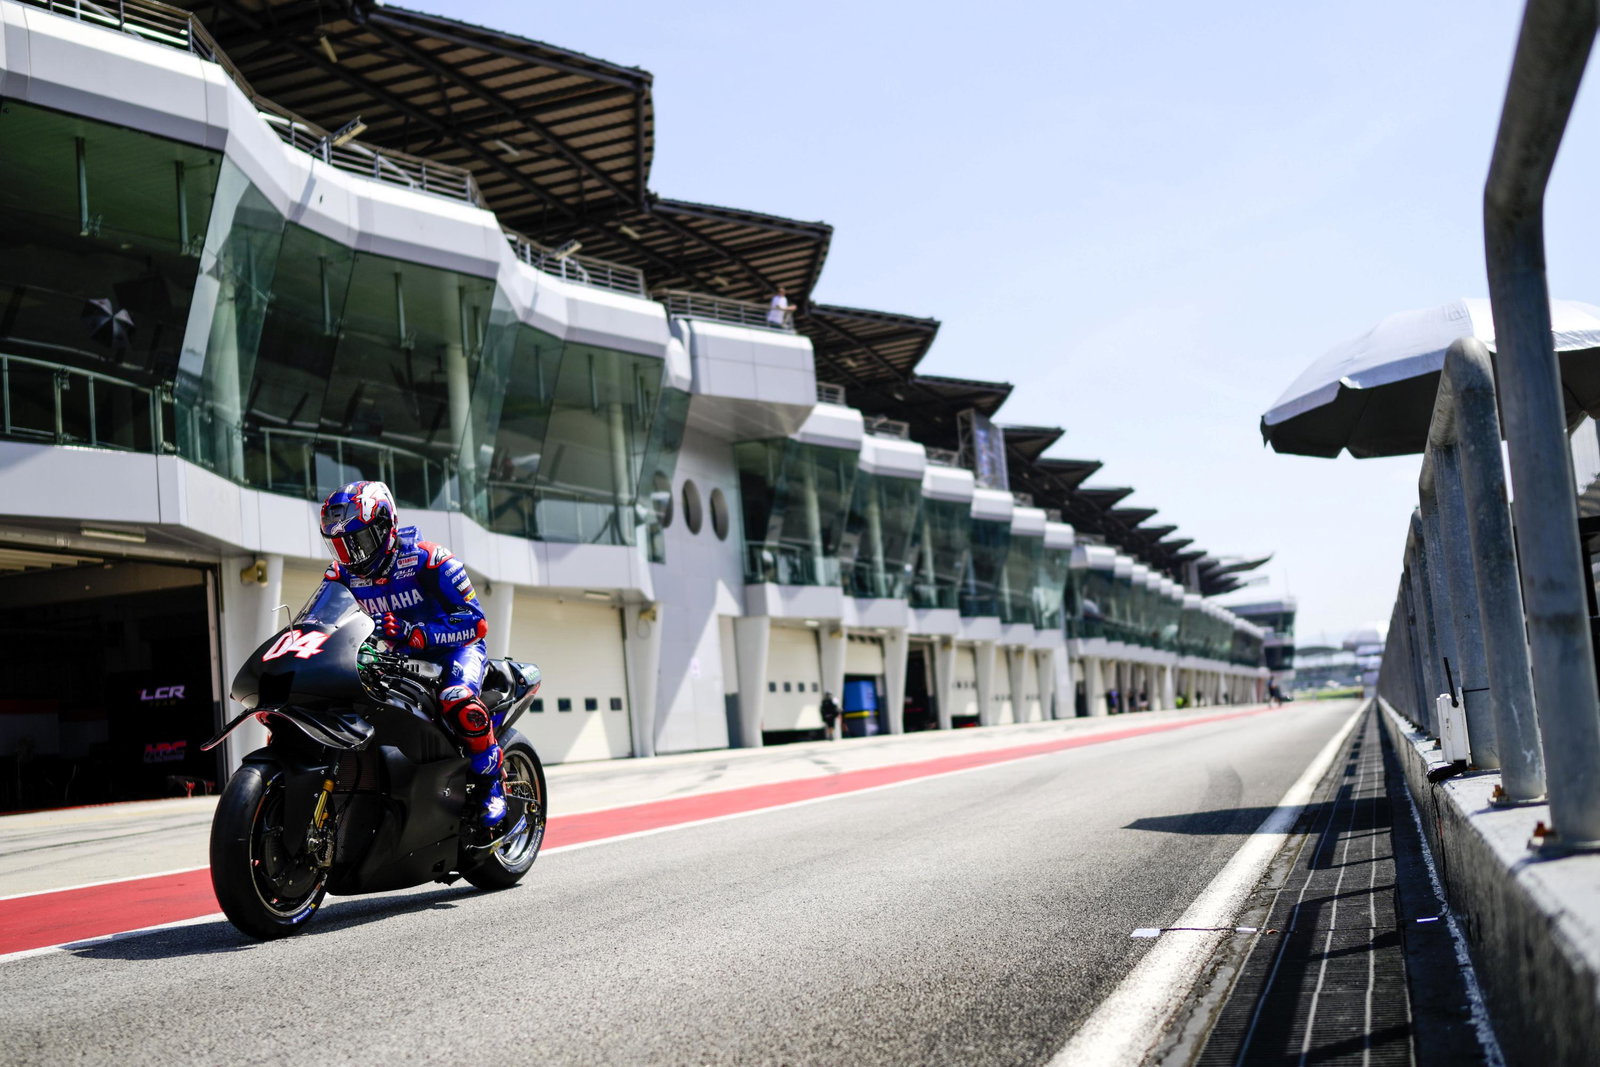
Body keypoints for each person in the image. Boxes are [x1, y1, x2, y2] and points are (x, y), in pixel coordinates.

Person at [317, 480, 511, 840]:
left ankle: (490, 783)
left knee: (456, 699)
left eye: (359, 541)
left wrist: (418, 633)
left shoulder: (429, 558)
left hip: (453, 650)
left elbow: (476, 622)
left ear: (386, 526)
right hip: (393, 658)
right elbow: (322, 618)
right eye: (341, 545)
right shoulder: (340, 573)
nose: (352, 555)